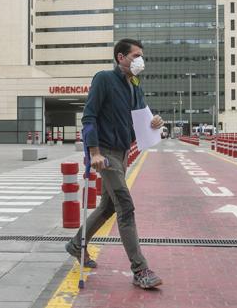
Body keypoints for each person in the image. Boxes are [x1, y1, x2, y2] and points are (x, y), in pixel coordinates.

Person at [65, 38, 164, 289]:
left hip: (121, 153)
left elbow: (142, 118)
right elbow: (89, 117)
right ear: (121, 57)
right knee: (125, 206)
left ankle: (77, 245)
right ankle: (140, 269)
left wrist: (155, 122)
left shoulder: (135, 86)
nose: (140, 60)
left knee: (109, 207)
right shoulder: (104, 79)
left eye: (141, 56)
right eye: (135, 55)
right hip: (105, 153)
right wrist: (94, 152)